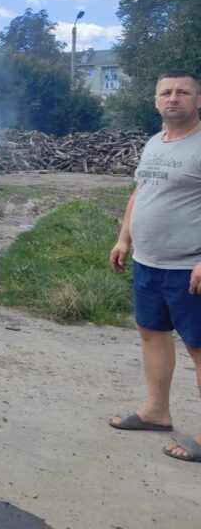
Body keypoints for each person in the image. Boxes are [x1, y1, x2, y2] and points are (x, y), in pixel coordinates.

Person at [109, 71, 201, 464]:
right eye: (166, 92)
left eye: (183, 92)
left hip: (189, 268)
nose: (173, 98)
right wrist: (124, 238)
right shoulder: (154, 143)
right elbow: (141, 192)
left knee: (199, 348)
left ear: (198, 99)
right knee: (152, 334)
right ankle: (157, 412)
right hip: (149, 263)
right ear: (156, 101)